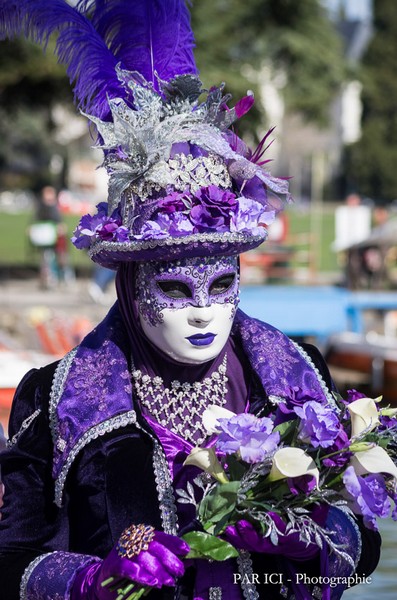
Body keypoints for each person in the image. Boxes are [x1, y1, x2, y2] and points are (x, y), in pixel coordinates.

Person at [0, 2, 381, 599]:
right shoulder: (56, 403)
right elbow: (11, 565)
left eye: (222, 285)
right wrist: (93, 581)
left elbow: (360, 546)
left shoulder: (295, 379)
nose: (203, 312)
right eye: (174, 289)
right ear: (130, 284)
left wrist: (311, 542)